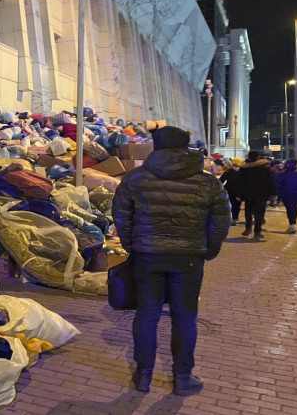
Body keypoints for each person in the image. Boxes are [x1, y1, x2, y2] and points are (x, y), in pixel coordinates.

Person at [113, 126, 231, 396]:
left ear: (156, 145)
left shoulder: (135, 179)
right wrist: (209, 250)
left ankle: (143, 376)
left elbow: (122, 216)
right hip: (189, 258)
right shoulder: (208, 182)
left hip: (147, 256)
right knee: (185, 317)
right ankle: (182, 377)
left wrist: (132, 246)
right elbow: (221, 221)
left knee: (146, 314)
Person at [239, 151, 275, 239]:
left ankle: (248, 228)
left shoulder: (244, 167)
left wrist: (239, 193)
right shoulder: (264, 167)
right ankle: (257, 232)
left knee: (248, 212)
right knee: (259, 214)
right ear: (258, 157)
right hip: (261, 194)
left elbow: (239, 182)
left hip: (248, 194)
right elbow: (270, 181)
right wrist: (271, 193)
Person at [277, 159, 297, 233]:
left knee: (289, 209)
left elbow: (279, 183)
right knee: (294, 209)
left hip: (287, 193)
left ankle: (292, 224)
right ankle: (293, 224)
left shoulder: (284, 173)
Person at [219, 158, 243, 225]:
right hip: (236, 192)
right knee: (235, 205)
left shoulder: (228, 172)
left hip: (231, 191)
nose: (236, 167)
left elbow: (221, 180)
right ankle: (234, 218)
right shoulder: (241, 172)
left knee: (233, 205)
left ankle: (233, 218)